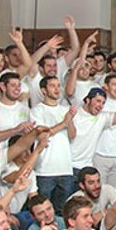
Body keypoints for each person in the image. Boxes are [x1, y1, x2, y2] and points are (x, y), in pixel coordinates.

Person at [31, 76, 78, 212]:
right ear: (43, 90)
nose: (57, 89)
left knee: (63, 211)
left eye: (58, 85)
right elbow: (42, 135)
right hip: (45, 170)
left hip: (65, 168)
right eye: (52, 86)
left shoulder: (64, 109)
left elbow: (72, 135)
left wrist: (69, 121)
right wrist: (63, 123)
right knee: (43, 210)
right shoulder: (37, 111)